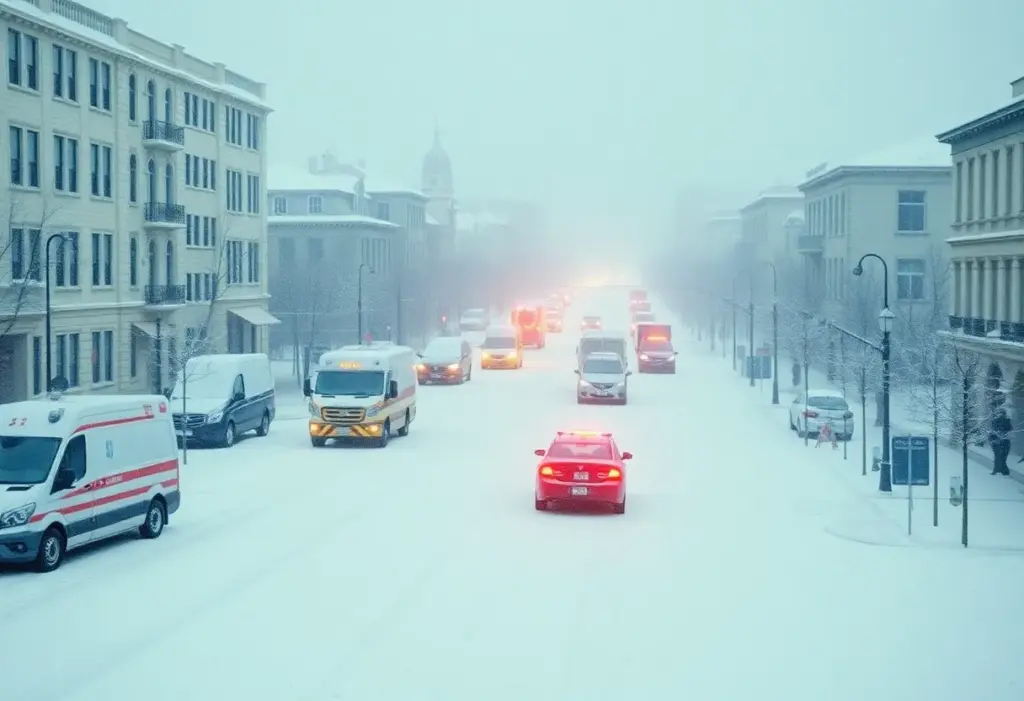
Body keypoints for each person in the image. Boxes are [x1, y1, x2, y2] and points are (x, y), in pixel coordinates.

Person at [990, 408, 1012, 476]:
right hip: (1000, 443)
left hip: (1002, 443)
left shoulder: (1006, 421)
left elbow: (1009, 431)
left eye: (1002, 413)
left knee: (1001, 458)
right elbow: (992, 432)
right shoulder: (997, 421)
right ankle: (1001, 471)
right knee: (999, 458)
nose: (1000, 415)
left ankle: (1002, 471)